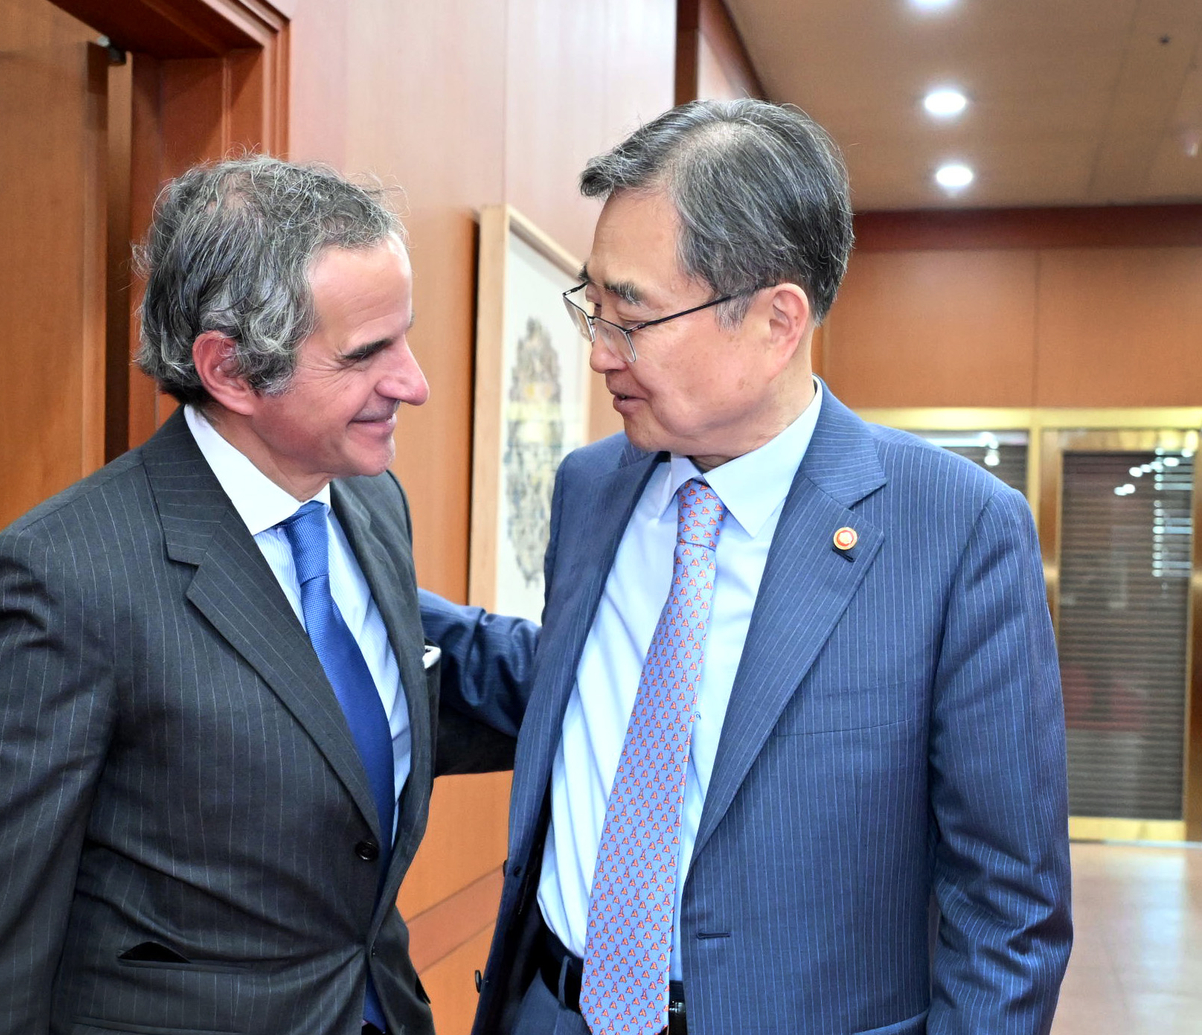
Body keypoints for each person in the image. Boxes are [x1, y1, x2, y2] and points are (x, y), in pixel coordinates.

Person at [424, 98, 1071, 1035]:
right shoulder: (592, 486)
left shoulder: (956, 534)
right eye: (591, 307)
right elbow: (573, 687)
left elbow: (1007, 911)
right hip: (550, 1008)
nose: (599, 351)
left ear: (775, 321)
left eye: (632, 316)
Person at [0, 156, 524, 1035]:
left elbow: (365, 699)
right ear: (231, 370)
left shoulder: (368, 501)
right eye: (365, 354)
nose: (413, 382)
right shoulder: (66, 576)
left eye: (404, 336)